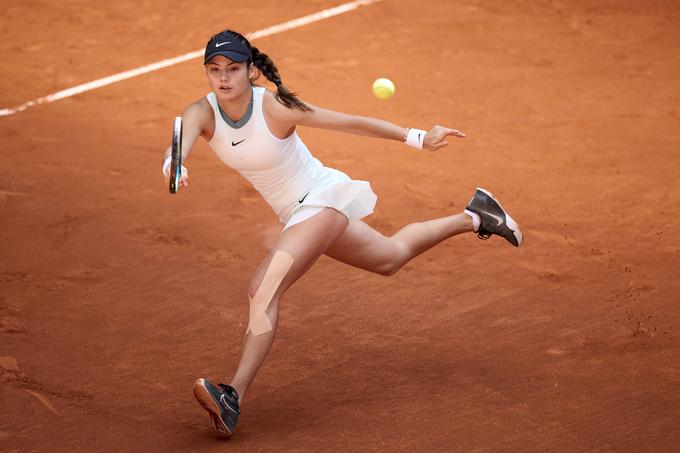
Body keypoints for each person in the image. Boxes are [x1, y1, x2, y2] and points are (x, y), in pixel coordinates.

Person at [161, 29, 523, 436]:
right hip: (298, 214)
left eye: (232, 69)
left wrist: (418, 137)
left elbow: (348, 123)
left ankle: (233, 397)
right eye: (214, 70)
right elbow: (180, 144)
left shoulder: (276, 107)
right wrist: (176, 164)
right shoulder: (202, 112)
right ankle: (476, 215)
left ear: (251, 72)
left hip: (321, 200)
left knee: (262, 289)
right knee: (390, 257)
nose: (223, 78)